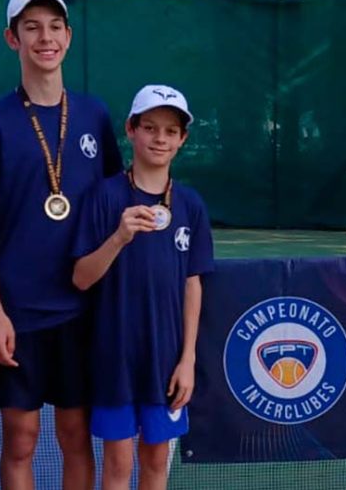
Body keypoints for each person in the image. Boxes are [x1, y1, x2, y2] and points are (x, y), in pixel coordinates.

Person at [0, 0, 123, 488]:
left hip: (82, 310)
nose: (45, 37)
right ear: (12, 38)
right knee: (21, 438)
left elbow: (115, 204)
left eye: (55, 26)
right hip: (18, 312)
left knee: (76, 435)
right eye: (31, 27)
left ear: (68, 37)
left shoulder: (94, 116)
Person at [72, 84, 214, 490]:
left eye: (170, 131)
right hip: (114, 359)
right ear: (131, 130)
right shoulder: (104, 197)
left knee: (156, 462)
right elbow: (81, 277)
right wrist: (119, 237)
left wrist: (187, 359)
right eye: (150, 128)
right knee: (117, 466)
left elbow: (192, 284)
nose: (160, 139)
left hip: (165, 361)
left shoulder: (190, 205)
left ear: (182, 139)